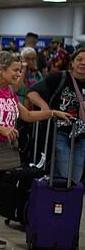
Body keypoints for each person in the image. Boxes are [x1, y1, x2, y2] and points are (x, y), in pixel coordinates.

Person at [0, 51, 69, 250]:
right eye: (16, 70)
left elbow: (26, 115)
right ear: (1, 69)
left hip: (1, 148)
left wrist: (52, 113)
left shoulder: (8, 91)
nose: (20, 74)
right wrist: (1, 129)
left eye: (21, 70)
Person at [27, 48, 85, 182]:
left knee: (75, 177)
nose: (83, 63)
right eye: (79, 60)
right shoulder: (59, 77)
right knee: (64, 174)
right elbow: (32, 92)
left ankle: (68, 201)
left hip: (82, 136)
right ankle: (58, 200)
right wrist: (45, 107)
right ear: (72, 63)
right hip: (60, 133)